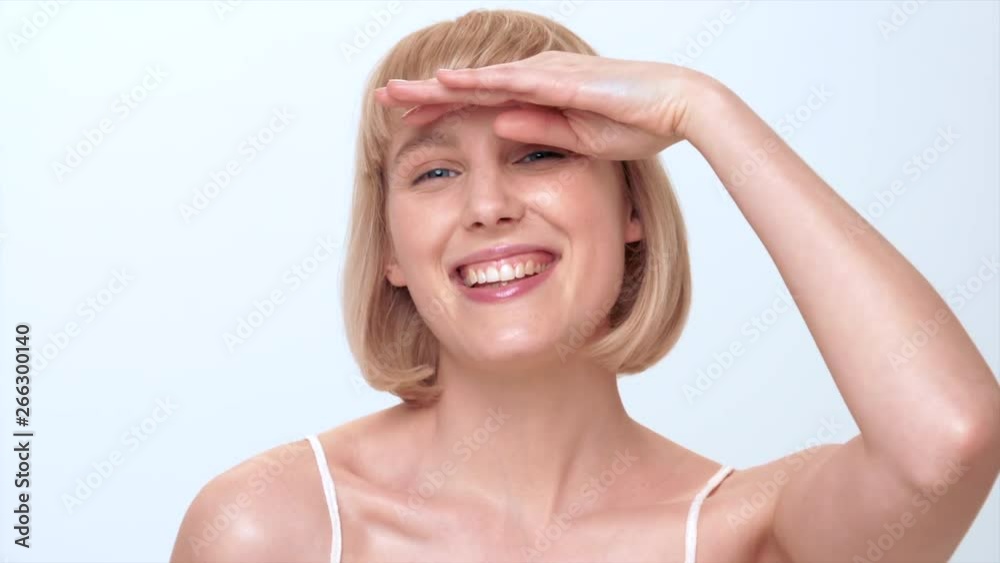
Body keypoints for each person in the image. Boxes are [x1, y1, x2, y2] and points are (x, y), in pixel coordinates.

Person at [170, 8, 1000, 563]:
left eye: (540, 154)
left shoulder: (740, 533)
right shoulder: (271, 525)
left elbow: (948, 441)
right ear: (390, 247)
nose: (488, 205)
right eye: (434, 171)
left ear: (631, 205)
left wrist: (700, 108)